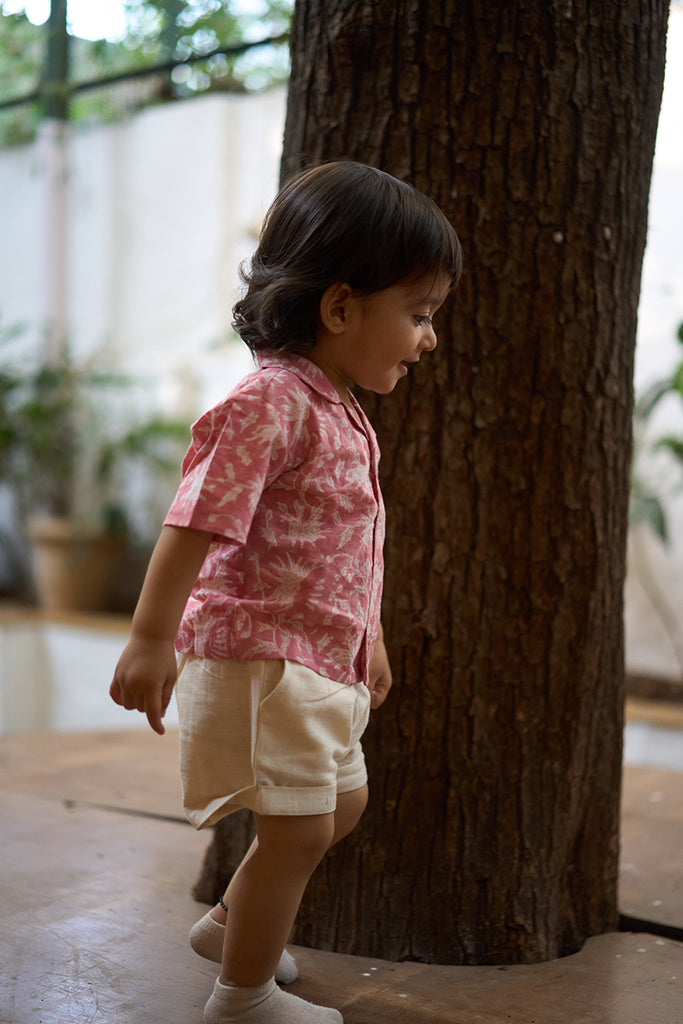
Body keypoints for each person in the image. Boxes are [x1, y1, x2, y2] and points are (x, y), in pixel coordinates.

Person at [110, 160, 462, 1024]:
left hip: (318, 658)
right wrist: (153, 637)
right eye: (416, 316)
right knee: (300, 829)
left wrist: (366, 634)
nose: (428, 339)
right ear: (341, 307)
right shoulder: (270, 402)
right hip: (267, 659)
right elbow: (194, 521)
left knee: (342, 805)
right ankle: (243, 997)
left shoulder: (336, 403)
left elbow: (345, 544)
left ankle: (231, 922)